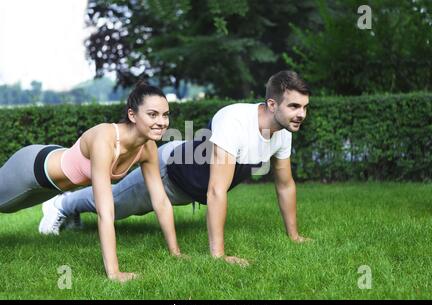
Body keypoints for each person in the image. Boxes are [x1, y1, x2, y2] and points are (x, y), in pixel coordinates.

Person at [41, 70, 311, 266]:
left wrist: (295, 236)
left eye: (305, 107)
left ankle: (69, 208)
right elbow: (217, 190)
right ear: (273, 104)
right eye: (295, 106)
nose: (301, 114)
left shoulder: (282, 132)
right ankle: (62, 204)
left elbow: (285, 185)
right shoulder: (236, 121)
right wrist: (219, 256)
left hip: (190, 181)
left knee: (117, 206)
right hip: (169, 171)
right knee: (115, 205)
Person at [0, 81, 183, 282]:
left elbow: (161, 201)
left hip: (51, 188)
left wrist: (176, 253)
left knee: (9, 209)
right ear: (132, 115)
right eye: (153, 114)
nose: (162, 122)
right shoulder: (105, 139)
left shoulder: (147, 147)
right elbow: (105, 211)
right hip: (31, 170)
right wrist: (114, 273)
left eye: (165, 115)